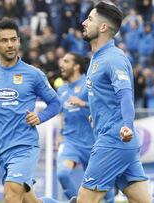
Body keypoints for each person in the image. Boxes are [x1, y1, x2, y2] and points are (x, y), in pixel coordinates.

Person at [0, 18, 65, 203]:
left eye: (13, 39)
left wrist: (39, 118)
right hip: (1, 148)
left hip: (25, 146)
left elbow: (56, 104)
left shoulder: (33, 74)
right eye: (4, 40)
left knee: (11, 195)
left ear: (18, 41)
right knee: (27, 200)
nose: (10, 44)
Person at [77, 2, 154, 203]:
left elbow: (125, 95)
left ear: (103, 27)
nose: (84, 22)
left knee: (84, 200)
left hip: (113, 140)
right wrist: (96, 114)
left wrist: (126, 125)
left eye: (89, 19)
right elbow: (108, 97)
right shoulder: (98, 58)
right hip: (119, 141)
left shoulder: (113, 58)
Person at [56, 52, 114, 202]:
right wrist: (60, 134)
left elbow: (104, 108)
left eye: (66, 61)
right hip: (71, 142)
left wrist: (83, 104)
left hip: (93, 143)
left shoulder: (90, 85)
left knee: (107, 193)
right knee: (62, 174)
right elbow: (63, 113)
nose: (61, 65)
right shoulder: (61, 90)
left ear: (76, 66)